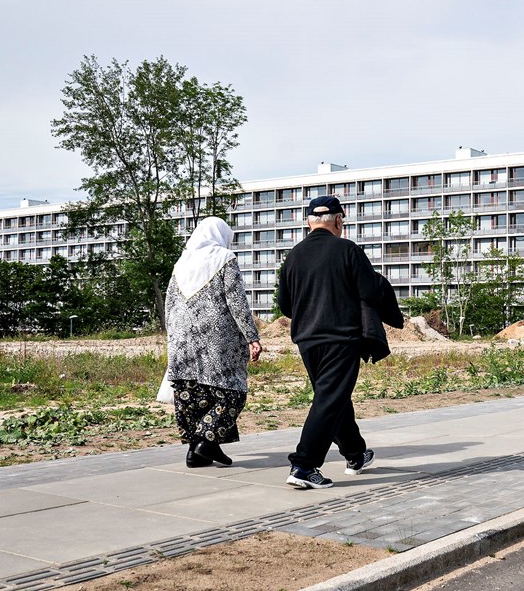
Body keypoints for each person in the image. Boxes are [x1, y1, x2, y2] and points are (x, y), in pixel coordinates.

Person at [277, 195, 402, 489]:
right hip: (341, 338)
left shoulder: (293, 256)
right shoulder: (347, 249)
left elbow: (285, 305)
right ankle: (304, 466)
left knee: (333, 397)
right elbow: (370, 291)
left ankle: (355, 454)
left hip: (307, 339)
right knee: (330, 398)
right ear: (337, 221)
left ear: (308, 222)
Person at [166, 216, 262, 468]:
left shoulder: (181, 263)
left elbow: (169, 307)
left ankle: (196, 453)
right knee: (232, 393)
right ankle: (204, 444)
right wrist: (252, 337)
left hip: (182, 343)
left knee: (194, 396)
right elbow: (237, 301)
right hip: (217, 342)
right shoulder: (224, 259)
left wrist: (173, 339)